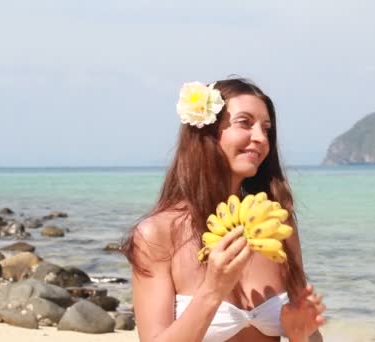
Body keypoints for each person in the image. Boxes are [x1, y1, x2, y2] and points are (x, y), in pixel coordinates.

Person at [122, 78, 326, 342]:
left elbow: (311, 336)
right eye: (245, 123)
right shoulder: (158, 234)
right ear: (207, 133)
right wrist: (212, 291)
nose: (260, 138)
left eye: (266, 129)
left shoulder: (275, 223)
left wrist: (301, 335)